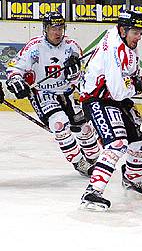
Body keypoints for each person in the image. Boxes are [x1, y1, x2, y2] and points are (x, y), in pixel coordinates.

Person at [79, 10, 142, 211]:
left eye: (141, 32)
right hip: (97, 100)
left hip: (114, 99)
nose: (139, 36)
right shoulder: (114, 49)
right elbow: (117, 90)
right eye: (136, 32)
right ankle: (92, 192)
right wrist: (140, 87)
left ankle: (131, 180)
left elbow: (127, 78)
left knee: (141, 139)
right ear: (123, 30)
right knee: (117, 144)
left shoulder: (127, 42)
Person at [5, 11, 101, 176]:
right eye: (53, 28)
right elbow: (14, 68)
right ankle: (79, 162)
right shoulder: (34, 48)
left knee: (84, 128)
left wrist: (74, 70)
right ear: (45, 29)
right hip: (43, 94)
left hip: (68, 93)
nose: (57, 32)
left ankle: (94, 158)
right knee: (60, 124)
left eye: (60, 28)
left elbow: (81, 76)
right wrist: (16, 81)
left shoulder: (72, 46)